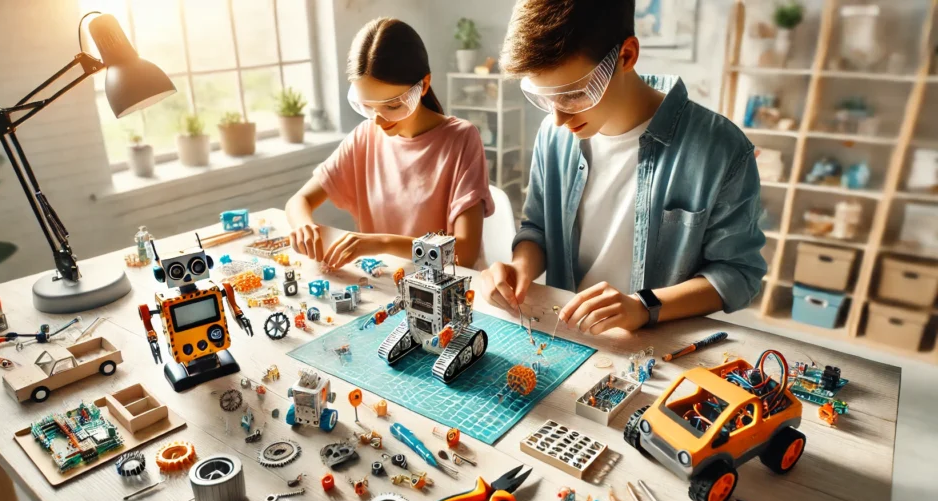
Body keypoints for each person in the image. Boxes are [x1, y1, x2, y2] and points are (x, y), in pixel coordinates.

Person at [480, 0, 767, 336]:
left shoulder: (721, 149)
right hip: (568, 334)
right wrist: (519, 268)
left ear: (627, 56)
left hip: (656, 349)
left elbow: (738, 273)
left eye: (572, 94)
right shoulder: (553, 134)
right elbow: (539, 229)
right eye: (545, 97)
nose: (558, 117)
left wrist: (644, 306)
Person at [286, 18, 493, 269]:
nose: (379, 121)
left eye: (392, 106)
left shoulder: (461, 139)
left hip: (445, 290)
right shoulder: (364, 137)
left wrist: (381, 243)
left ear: (424, 85)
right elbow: (299, 201)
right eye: (367, 106)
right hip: (383, 287)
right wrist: (303, 225)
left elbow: (463, 255)